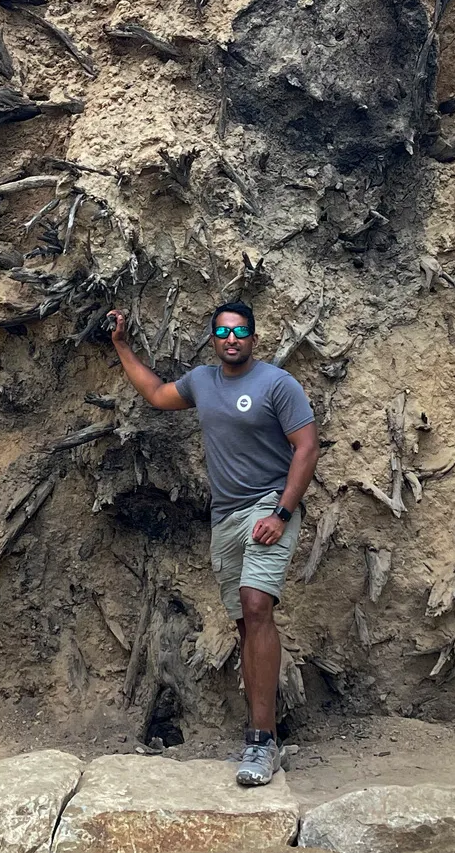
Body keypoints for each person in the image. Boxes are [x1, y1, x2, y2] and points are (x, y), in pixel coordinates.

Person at [106, 300, 319, 788]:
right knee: (245, 622)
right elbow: (156, 393)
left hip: (269, 507)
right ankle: (263, 734)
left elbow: (307, 447)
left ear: (254, 339)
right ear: (212, 339)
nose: (231, 339)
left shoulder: (277, 384)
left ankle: (261, 742)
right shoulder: (202, 381)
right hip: (225, 517)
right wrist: (122, 345)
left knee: (257, 605)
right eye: (223, 332)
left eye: (240, 332)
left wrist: (282, 513)